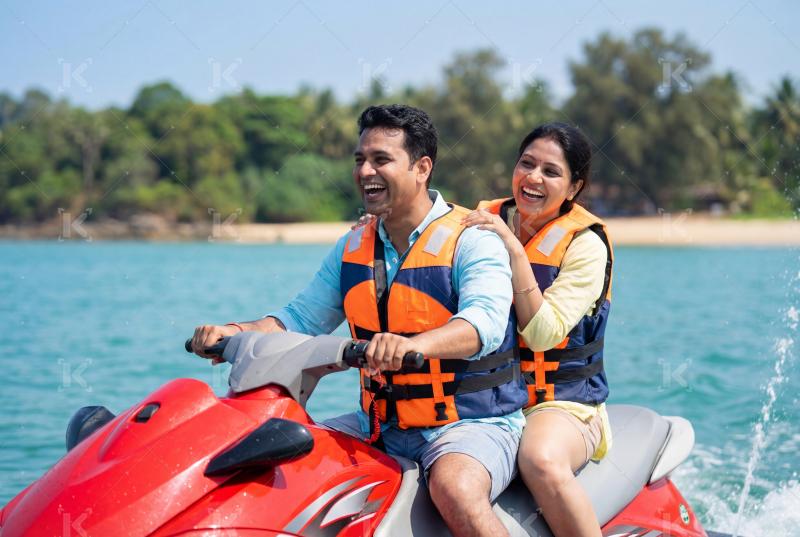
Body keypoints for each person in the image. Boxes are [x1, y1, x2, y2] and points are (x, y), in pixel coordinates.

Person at [190, 104, 529, 537]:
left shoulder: (472, 238)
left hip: (470, 423)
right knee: (279, 458)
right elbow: (298, 319)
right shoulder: (353, 245)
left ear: (422, 167)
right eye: (359, 160)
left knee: (455, 488)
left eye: (381, 160)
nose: (365, 171)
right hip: (379, 423)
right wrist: (235, 333)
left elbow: (482, 325)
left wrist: (415, 346)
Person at [462, 122, 613, 537]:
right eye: (526, 164)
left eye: (551, 171)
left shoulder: (585, 245)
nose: (533, 177)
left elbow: (542, 335)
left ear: (574, 186)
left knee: (539, 460)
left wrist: (513, 249)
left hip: (561, 404)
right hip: (488, 397)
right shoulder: (482, 219)